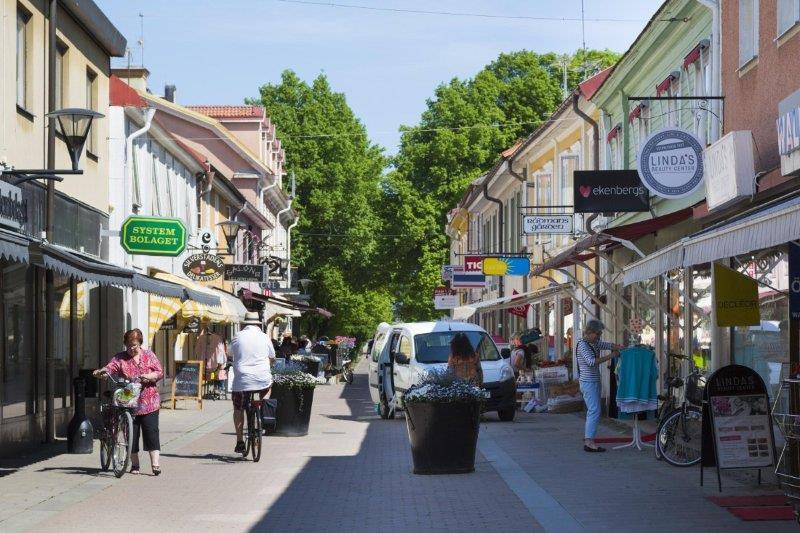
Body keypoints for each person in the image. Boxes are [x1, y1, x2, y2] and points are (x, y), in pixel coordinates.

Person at [93, 328, 163, 475]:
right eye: (129, 346)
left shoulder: (149, 355)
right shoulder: (120, 358)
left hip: (149, 401)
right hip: (128, 402)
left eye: (135, 346)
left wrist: (149, 376)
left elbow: (159, 371)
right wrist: (102, 372)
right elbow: (110, 367)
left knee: (151, 432)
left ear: (140, 344)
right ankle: (135, 465)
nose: (131, 349)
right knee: (131, 434)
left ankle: (155, 464)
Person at [230, 311, 276, 453]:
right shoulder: (264, 337)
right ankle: (262, 409)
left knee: (238, 408)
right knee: (268, 386)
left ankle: (240, 442)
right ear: (258, 324)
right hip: (262, 378)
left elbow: (231, 354)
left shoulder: (237, 336)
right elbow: (272, 357)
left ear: (244, 323)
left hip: (242, 380)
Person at [576, 319, 623, 453]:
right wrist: (612, 355)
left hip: (594, 381)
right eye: (597, 334)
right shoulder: (583, 345)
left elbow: (605, 344)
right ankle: (589, 441)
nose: (599, 336)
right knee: (594, 411)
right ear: (589, 332)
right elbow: (591, 362)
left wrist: (617, 346)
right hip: (588, 383)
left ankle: (589, 439)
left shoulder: (594, 342)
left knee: (594, 410)